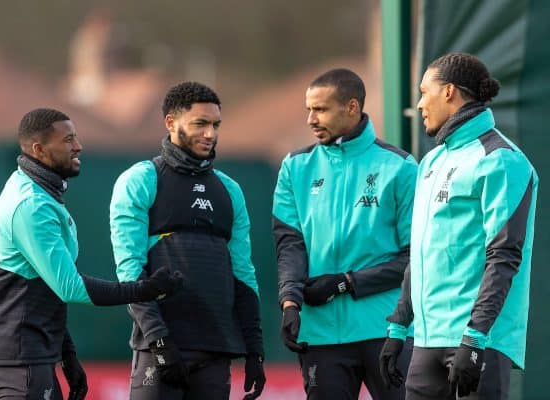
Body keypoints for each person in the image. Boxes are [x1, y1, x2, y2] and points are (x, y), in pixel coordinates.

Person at [0, 108, 184, 400]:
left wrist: (67, 355)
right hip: (19, 354)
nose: (78, 146)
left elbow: (49, 292)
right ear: (39, 150)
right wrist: (144, 289)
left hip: (30, 352)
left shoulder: (40, 194)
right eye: (68, 139)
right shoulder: (30, 205)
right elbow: (70, 288)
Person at [379, 53, 538, 400]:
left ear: (449, 92)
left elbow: (504, 255)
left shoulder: (502, 159)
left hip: (478, 342)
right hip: (426, 341)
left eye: (425, 92)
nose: (419, 104)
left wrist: (476, 337)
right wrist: (398, 325)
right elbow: (419, 254)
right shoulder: (431, 162)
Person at [109, 81, 266, 400]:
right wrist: (159, 340)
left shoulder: (230, 190)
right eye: (200, 123)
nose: (210, 133)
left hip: (216, 350)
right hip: (160, 349)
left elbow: (244, 275)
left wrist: (255, 349)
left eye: (216, 125)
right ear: (170, 122)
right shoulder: (140, 179)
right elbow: (130, 270)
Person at [273, 68, 417, 400]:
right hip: (320, 334)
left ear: (352, 107)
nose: (311, 118)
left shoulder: (401, 167)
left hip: (386, 329)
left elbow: (414, 259)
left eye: (320, 109)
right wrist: (290, 301)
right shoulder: (295, 168)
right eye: (308, 109)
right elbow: (289, 245)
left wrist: (347, 282)